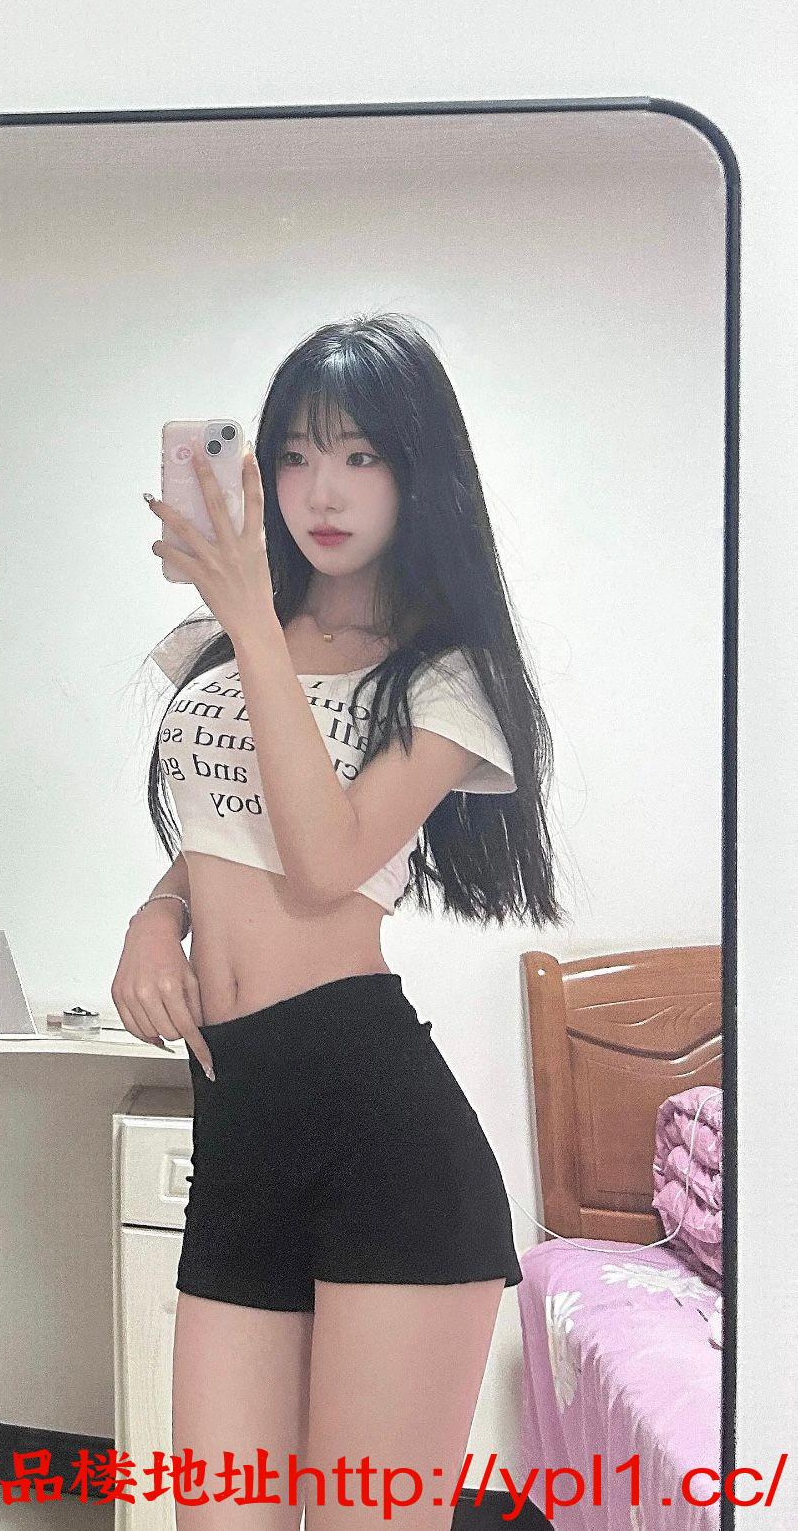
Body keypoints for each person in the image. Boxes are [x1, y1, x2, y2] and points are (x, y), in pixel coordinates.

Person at [111, 313, 565, 1530]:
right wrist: (156, 917)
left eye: (363, 456)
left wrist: (257, 619)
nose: (324, 490)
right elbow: (224, 830)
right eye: (299, 454)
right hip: (241, 1122)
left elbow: (324, 863)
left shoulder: (445, 676)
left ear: (419, 477)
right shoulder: (210, 645)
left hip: (383, 1136)